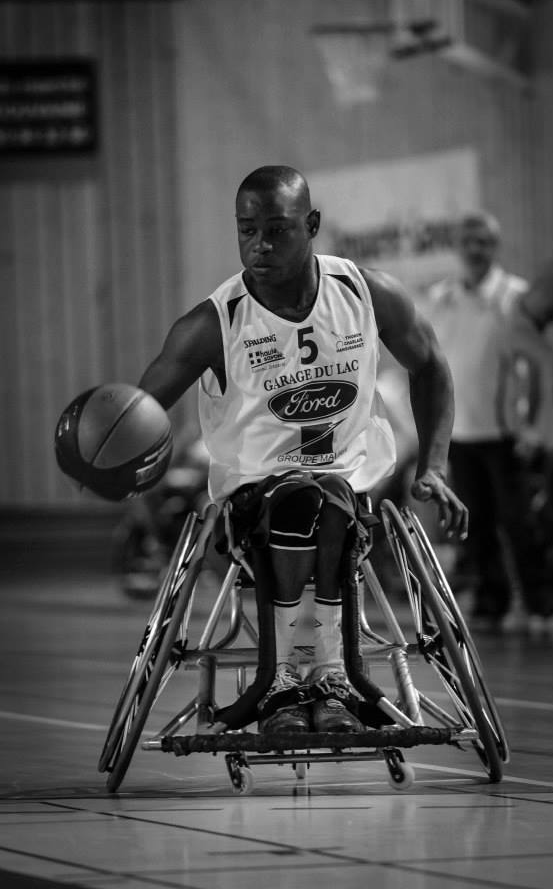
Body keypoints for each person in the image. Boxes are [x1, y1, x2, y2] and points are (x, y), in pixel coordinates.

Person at [138, 165, 467, 734]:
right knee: (298, 498)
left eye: (277, 229)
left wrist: (434, 466)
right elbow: (139, 412)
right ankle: (295, 682)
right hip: (253, 498)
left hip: (353, 485)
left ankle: (326, 679)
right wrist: (114, 464)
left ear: (312, 224)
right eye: (246, 230)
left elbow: (432, 366)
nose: (259, 245)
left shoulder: (366, 293)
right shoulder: (212, 324)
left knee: (329, 495)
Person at [427, 212, 553, 633]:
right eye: (469, 241)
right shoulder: (440, 298)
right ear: (458, 245)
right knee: (474, 525)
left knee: (519, 524)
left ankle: (541, 604)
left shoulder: (515, 296)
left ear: (494, 247)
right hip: (460, 434)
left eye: (484, 242)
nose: (475, 249)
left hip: (505, 434)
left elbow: (534, 367)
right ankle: (490, 602)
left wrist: (532, 424)